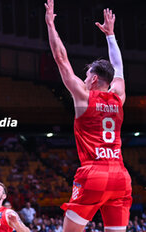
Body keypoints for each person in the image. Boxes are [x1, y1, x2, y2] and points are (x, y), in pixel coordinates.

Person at [45, 1, 132, 231]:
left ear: (94, 79)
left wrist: (51, 25)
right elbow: (118, 67)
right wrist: (111, 36)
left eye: (86, 75)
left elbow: (61, 59)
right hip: (121, 176)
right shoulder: (118, 96)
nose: (83, 79)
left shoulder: (84, 96)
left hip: (94, 172)